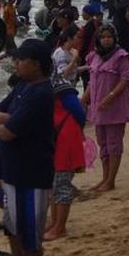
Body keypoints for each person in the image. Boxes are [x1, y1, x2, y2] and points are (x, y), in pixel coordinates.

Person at [0, 39, 54, 256]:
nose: (16, 63)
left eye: (21, 60)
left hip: (31, 176)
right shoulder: (23, 87)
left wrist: (3, 122)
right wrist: (5, 120)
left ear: (36, 64)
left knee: (30, 238)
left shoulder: (41, 93)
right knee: (13, 229)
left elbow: (7, 132)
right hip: (13, 173)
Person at [82, 23, 129, 193]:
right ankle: (104, 178)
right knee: (102, 143)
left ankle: (111, 180)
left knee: (114, 144)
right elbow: (92, 80)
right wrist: (84, 99)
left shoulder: (121, 56)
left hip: (115, 108)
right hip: (98, 108)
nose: (106, 40)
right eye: (103, 37)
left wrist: (110, 97)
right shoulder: (94, 57)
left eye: (109, 37)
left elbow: (125, 80)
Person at [43, 76, 85, 241]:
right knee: (54, 184)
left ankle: (60, 227)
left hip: (66, 138)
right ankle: (55, 223)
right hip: (57, 137)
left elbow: (79, 112)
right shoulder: (48, 86)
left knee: (61, 184)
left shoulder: (63, 89)